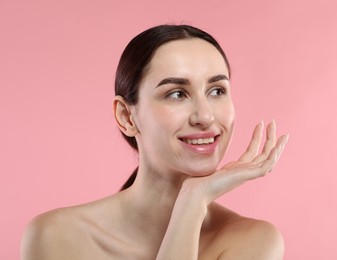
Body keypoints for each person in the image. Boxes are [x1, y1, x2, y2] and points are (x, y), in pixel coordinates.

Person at [21, 24, 289, 259]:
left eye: (217, 90)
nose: (205, 116)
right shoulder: (56, 237)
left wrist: (192, 201)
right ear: (126, 116)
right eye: (176, 94)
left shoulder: (254, 240)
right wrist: (191, 201)